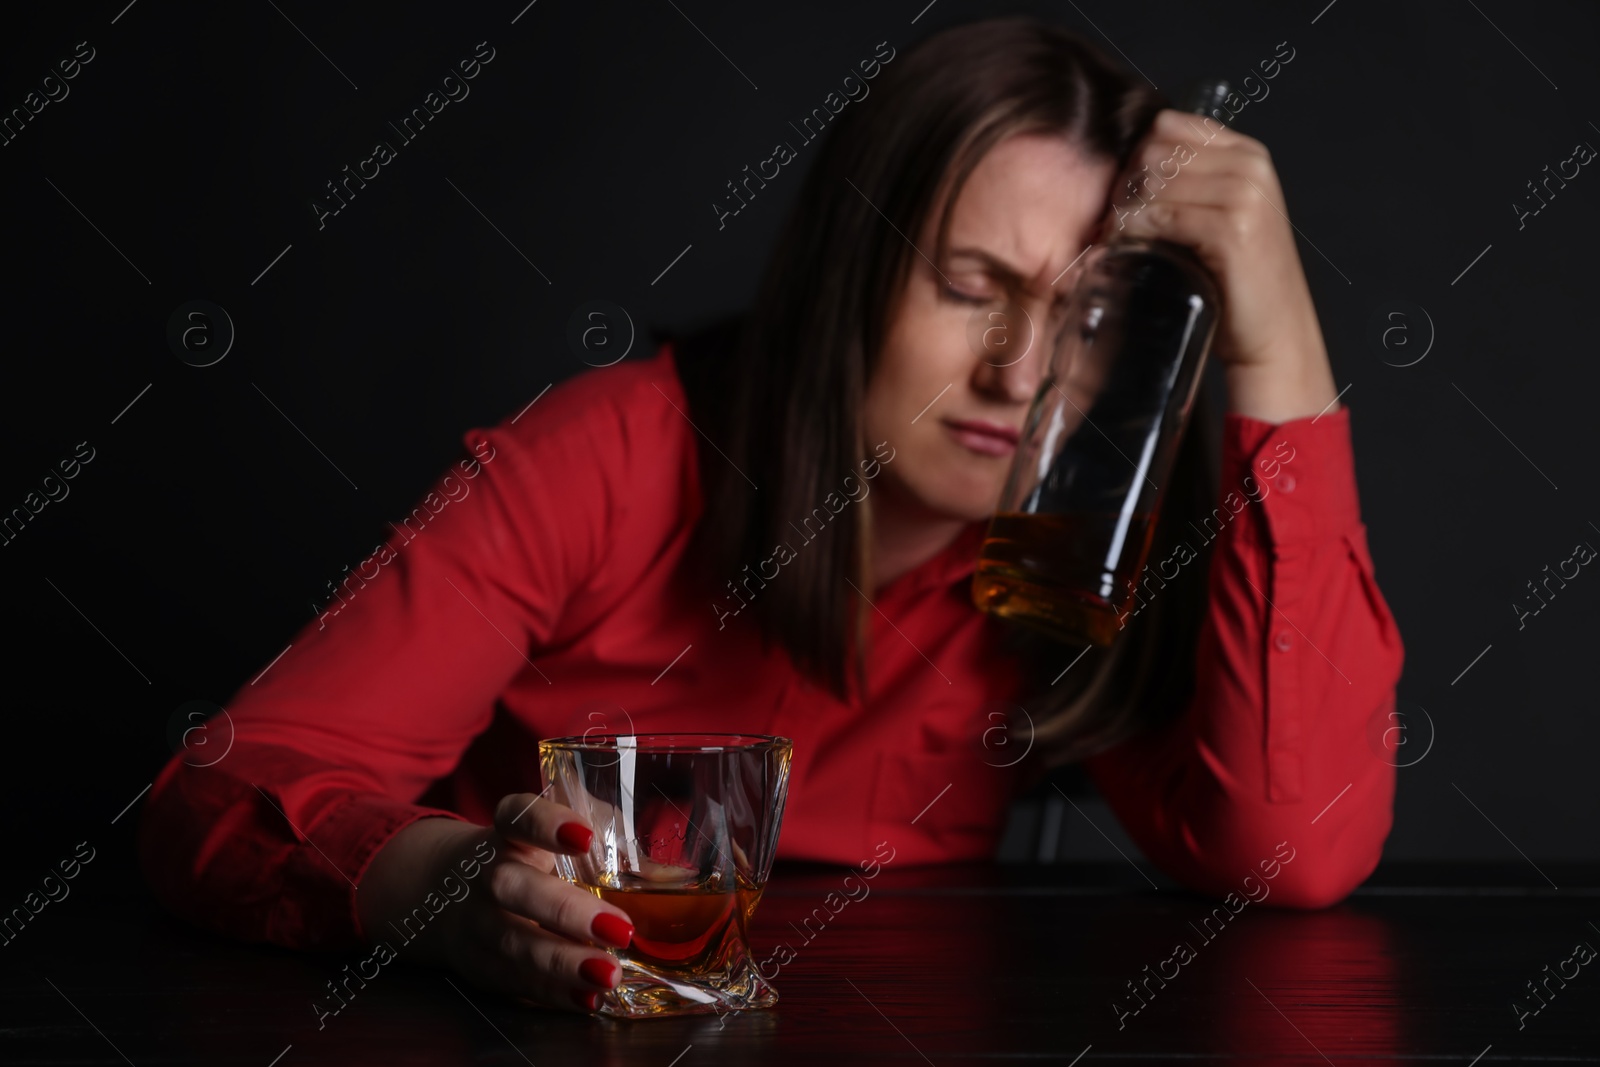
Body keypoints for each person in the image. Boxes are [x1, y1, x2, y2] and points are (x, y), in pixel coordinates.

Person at [140, 17, 1404, 1016]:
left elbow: (1284, 852)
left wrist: (1279, 343)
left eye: (1086, 320)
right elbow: (224, 785)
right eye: (971, 287)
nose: (1020, 374)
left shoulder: (1062, 555)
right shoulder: (613, 457)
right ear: (846, 273)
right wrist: (447, 890)